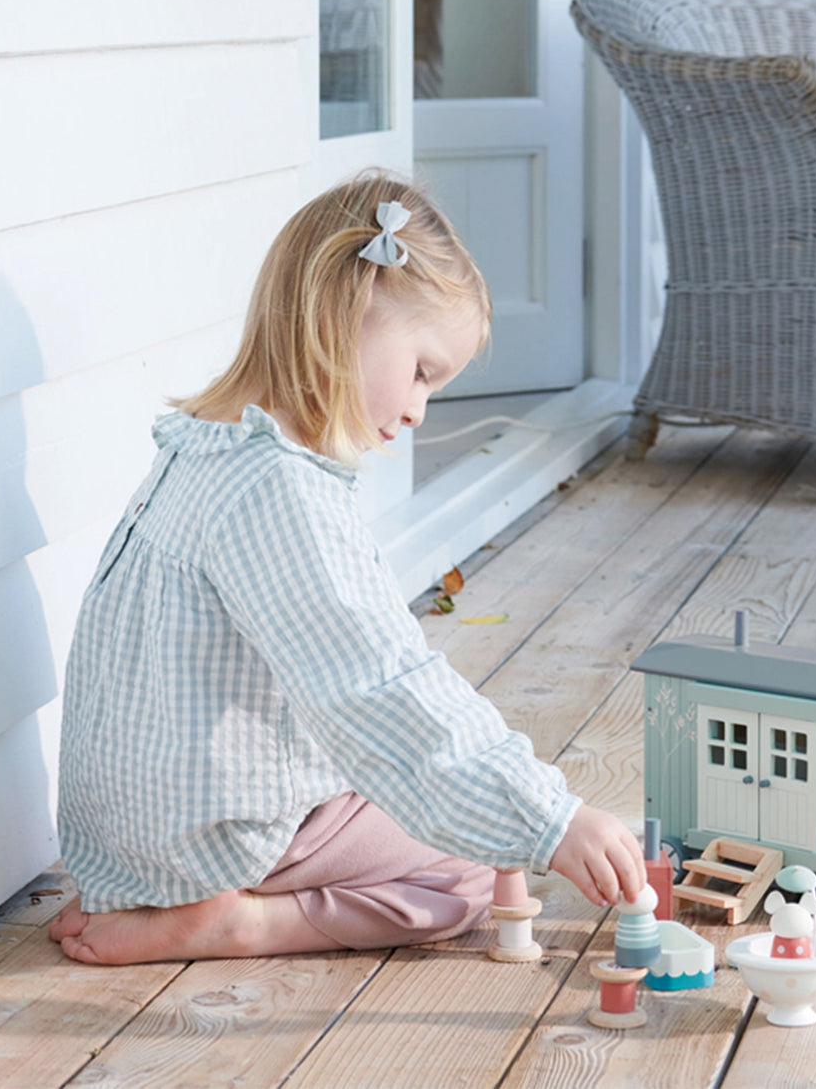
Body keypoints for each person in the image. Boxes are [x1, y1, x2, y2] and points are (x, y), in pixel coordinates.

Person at [49, 171, 645, 966]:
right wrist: (550, 818)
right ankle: (238, 921)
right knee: (477, 865)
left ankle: (178, 899)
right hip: (209, 842)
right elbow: (378, 688)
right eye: (423, 371)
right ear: (344, 314)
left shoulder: (201, 446)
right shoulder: (283, 494)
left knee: (433, 796)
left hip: (126, 836)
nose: (418, 411)